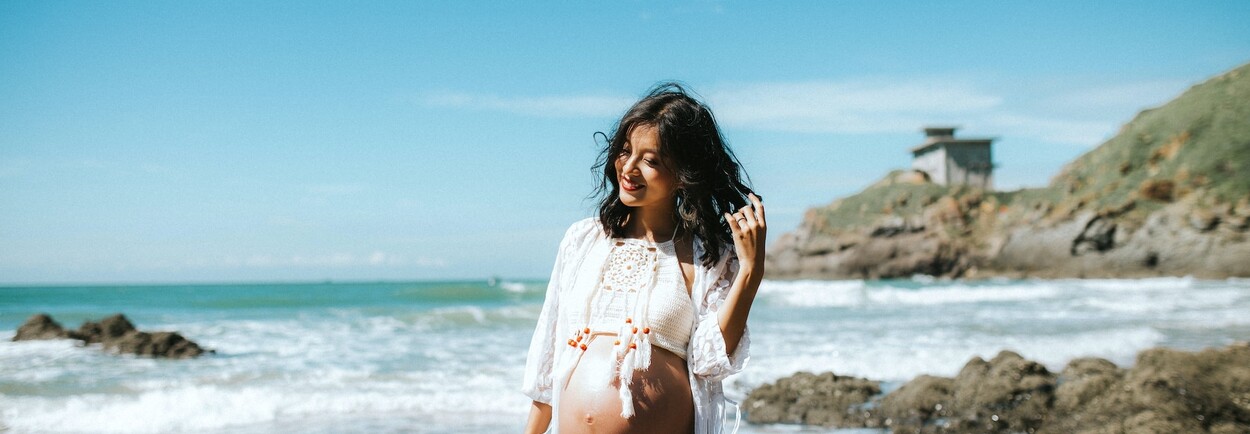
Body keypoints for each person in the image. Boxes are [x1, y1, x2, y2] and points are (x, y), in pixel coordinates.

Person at [521, 83, 766, 434]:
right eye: (625, 151)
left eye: (650, 160)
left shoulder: (706, 258)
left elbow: (710, 361)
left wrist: (750, 272)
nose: (629, 168)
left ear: (684, 174)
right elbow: (547, 363)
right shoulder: (583, 240)